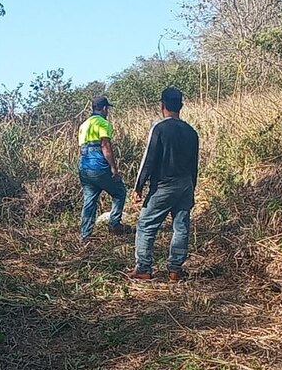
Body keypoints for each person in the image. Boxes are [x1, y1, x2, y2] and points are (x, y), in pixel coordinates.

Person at [128, 87, 200, 282]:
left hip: (164, 185)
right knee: (181, 226)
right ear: (181, 106)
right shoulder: (191, 132)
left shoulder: (159, 128)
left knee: (146, 224)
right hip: (185, 184)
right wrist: (192, 187)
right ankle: (175, 269)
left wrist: (138, 186)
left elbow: (148, 159)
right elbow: (194, 163)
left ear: (162, 105)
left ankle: (143, 268)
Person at [77, 95, 128, 240]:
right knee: (119, 192)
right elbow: (105, 147)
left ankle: (85, 234)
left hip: (84, 168)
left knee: (89, 200)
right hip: (99, 167)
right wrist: (113, 168)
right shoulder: (103, 123)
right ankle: (115, 224)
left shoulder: (84, 125)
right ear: (105, 109)